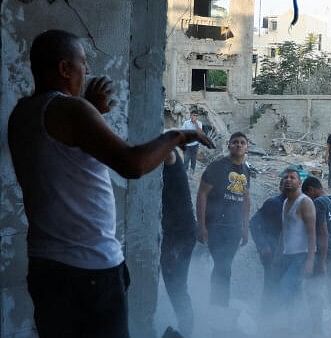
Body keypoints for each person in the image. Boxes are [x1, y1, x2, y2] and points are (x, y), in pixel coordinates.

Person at [7, 30, 215, 338]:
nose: (87, 70)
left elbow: (66, 157)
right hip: (89, 268)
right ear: (65, 69)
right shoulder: (71, 110)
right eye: (83, 63)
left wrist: (90, 108)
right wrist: (178, 136)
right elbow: (133, 164)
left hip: (46, 265)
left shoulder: (23, 112)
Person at [196, 132, 251, 307]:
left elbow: (246, 198)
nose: (239, 145)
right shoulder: (218, 166)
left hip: (234, 226)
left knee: (224, 266)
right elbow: (202, 194)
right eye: (235, 142)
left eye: (242, 142)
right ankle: (219, 306)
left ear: (247, 147)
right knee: (223, 266)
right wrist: (201, 225)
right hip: (216, 224)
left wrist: (245, 227)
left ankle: (218, 305)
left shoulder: (246, 170)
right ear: (229, 145)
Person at [302, 176, 331, 338]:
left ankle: (316, 331)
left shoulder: (318, 204)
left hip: (327, 254)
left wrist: (320, 262)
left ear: (311, 190)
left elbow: (323, 233)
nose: (308, 199)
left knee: (313, 290)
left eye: (308, 196)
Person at [160, 150, 197, 336]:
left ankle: (185, 330)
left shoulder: (170, 156)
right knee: (174, 284)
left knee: (176, 284)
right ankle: (184, 328)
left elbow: (167, 151)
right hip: (173, 232)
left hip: (180, 233)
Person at [279, 168, 316, 331]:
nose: (288, 180)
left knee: (285, 289)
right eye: (285, 177)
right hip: (288, 255)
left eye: (292, 177)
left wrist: (310, 260)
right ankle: (293, 327)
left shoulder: (305, 202)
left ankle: (291, 326)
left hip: (301, 256)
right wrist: (277, 255)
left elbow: (312, 233)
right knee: (293, 293)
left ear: (299, 183)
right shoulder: (286, 202)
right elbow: (284, 230)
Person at [249, 179, 285, 313]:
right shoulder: (273, 203)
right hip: (272, 253)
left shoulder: (301, 204)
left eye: (293, 179)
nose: (288, 182)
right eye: (284, 180)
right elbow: (253, 223)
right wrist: (262, 245)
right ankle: (266, 319)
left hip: (291, 255)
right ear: (280, 187)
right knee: (271, 287)